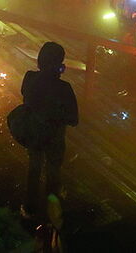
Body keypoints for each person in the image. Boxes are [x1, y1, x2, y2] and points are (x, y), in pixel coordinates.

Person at [21, 42, 78, 218]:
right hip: (54, 138)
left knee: (34, 168)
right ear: (60, 65)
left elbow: (26, 98)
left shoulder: (29, 78)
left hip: (34, 134)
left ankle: (30, 208)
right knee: (53, 172)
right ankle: (51, 211)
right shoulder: (64, 88)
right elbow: (73, 119)